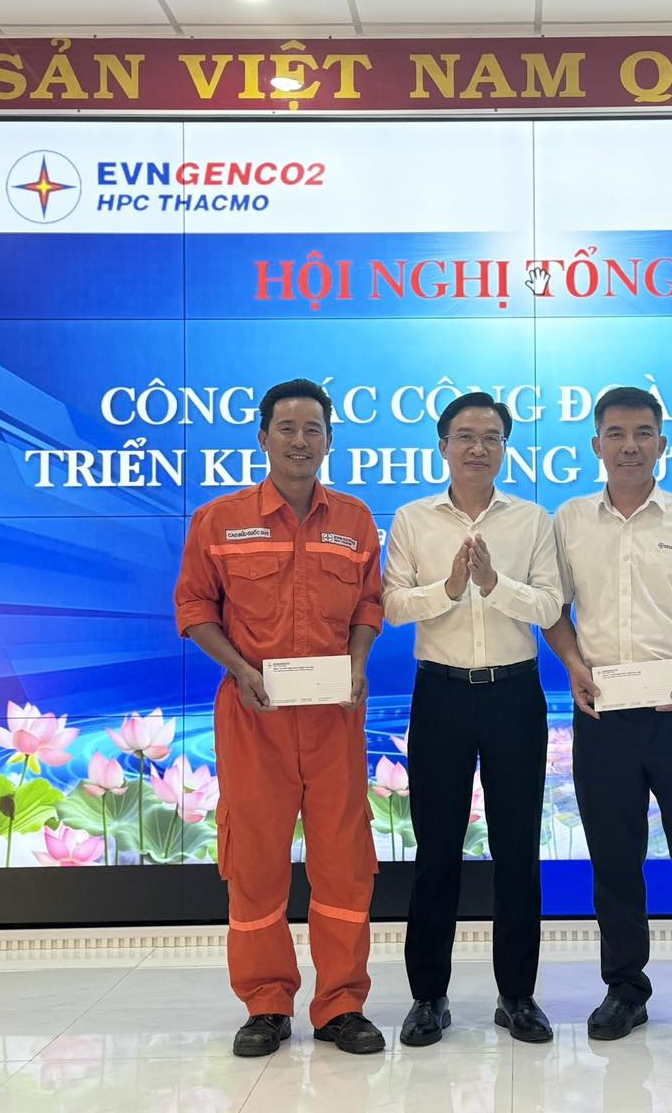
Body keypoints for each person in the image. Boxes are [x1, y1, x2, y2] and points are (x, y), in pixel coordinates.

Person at [174, 378, 387, 1058]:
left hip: (333, 720)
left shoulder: (355, 520)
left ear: (329, 440)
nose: (301, 441)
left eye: (313, 429)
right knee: (256, 862)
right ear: (263, 437)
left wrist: (358, 662)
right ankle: (265, 1002)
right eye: (287, 428)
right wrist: (240, 669)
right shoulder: (219, 520)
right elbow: (194, 609)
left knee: (344, 864)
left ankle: (341, 1004)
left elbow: (369, 605)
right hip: (253, 716)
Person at [542, 386, 672, 1046]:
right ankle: (624, 991)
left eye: (641, 434)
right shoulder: (569, 521)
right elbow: (552, 610)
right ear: (596, 445)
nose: (629, 446)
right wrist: (572, 664)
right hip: (603, 710)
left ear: (662, 444)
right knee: (613, 859)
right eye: (616, 433)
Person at [383, 392, 563, 1047]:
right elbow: (393, 606)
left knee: (518, 849)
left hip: (515, 695)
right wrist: (450, 589)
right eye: (465, 436)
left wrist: (493, 584)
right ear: (443, 446)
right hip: (442, 695)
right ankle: (428, 996)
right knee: (436, 850)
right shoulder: (412, 519)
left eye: (491, 437)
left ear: (505, 448)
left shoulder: (532, 520)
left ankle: (517, 995)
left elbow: (550, 607)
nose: (478, 447)